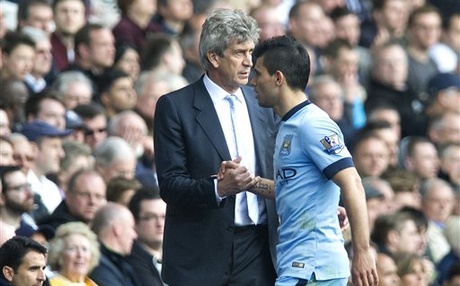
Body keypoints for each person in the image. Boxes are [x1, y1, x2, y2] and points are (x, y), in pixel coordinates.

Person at [238, 34, 377, 285]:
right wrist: (249, 182)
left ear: (278, 78)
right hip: (300, 266)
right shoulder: (289, 125)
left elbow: (353, 182)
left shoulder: (313, 124)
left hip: (313, 268)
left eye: (258, 74)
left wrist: (362, 252)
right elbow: (291, 189)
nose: (253, 82)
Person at [153, 8, 278, 286]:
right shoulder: (175, 106)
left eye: (251, 52)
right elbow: (170, 184)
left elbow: (285, 169)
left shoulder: (263, 103)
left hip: (258, 249)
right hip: (200, 253)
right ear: (213, 56)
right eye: (239, 53)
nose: (249, 63)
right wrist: (219, 188)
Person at [89, 203, 140, 286]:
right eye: (131, 228)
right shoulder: (97, 265)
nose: (135, 235)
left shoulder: (120, 262)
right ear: (117, 229)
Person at [127, 187, 166, 286]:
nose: (160, 223)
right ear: (134, 222)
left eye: (164, 217)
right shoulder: (132, 262)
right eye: (151, 217)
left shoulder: (178, 255)